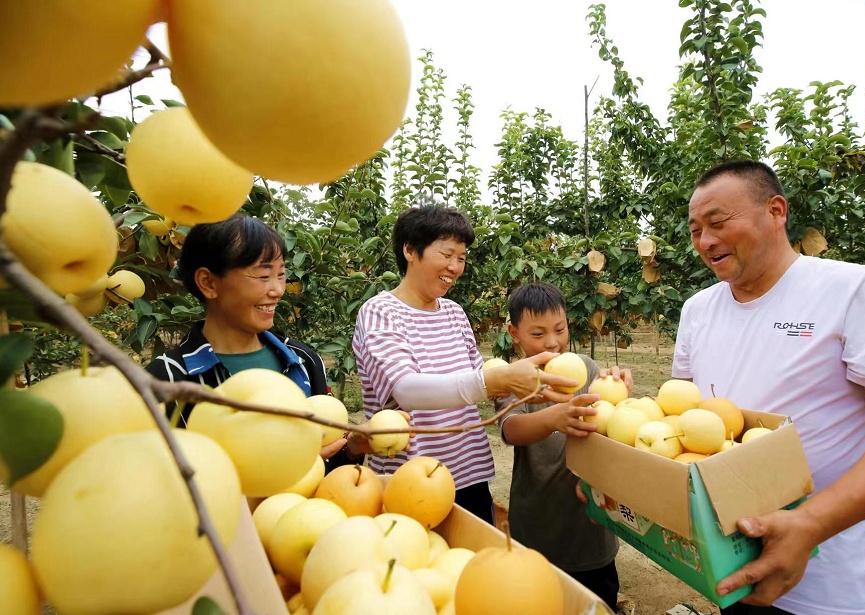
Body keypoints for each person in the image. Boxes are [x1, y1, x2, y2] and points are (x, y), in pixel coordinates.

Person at [675, 160, 865, 614]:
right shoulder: (697, 310)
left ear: (776, 211)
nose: (705, 241)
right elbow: (680, 421)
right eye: (695, 231)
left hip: (823, 593)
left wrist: (810, 523)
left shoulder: (859, 292)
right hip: (729, 570)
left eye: (718, 222)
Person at [352, 205, 579, 525]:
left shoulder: (454, 313)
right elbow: (406, 390)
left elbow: (478, 380)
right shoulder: (381, 312)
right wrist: (496, 381)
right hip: (410, 481)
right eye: (447, 254)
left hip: (469, 475)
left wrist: (532, 385)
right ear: (410, 251)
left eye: (461, 257)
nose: (455, 267)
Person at [146, 215, 366, 470]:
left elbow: (330, 468)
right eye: (263, 276)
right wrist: (287, 469)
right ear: (208, 283)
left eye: (281, 275)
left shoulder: (303, 361)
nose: (278, 290)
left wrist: (352, 447)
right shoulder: (167, 380)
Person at [496, 281, 633, 610]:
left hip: (590, 525)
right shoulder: (514, 378)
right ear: (514, 333)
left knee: (596, 602)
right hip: (537, 523)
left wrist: (617, 384)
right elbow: (511, 429)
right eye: (538, 334)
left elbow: (613, 417)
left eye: (560, 329)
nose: (553, 342)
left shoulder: (584, 368)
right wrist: (554, 418)